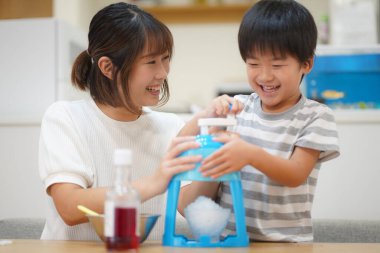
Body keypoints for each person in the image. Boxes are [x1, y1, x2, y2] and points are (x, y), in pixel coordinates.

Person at [178, 0, 340, 242]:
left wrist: (248, 154)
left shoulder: (316, 116)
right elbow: (180, 144)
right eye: (253, 64)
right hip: (229, 241)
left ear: (306, 63)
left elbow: (295, 174)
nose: (264, 75)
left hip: (287, 244)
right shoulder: (239, 108)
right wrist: (207, 114)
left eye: (277, 64)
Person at [39, 2, 202, 241]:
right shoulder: (65, 118)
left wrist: (216, 158)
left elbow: (191, 208)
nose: (163, 72)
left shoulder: (172, 127)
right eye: (151, 62)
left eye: (165, 59)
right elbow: (70, 207)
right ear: (108, 67)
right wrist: (153, 183)